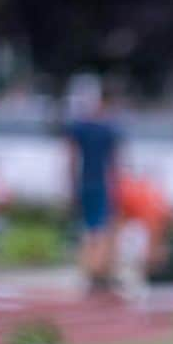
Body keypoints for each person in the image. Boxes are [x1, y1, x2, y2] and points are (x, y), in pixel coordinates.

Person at [63, 83, 121, 294]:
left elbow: (70, 157)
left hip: (87, 181)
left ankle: (92, 271)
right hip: (100, 183)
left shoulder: (81, 127)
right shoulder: (107, 129)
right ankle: (97, 271)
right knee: (100, 229)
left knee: (90, 228)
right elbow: (114, 161)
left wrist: (70, 184)